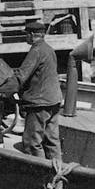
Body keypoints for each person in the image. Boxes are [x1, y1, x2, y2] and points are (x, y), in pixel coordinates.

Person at [11, 19, 63, 159]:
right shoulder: (49, 49)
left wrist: (2, 90)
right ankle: (57, 176)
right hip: (53, 100)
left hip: (39, 103)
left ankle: (38, 177)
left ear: (32, 34)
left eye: (26, 34)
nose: (25, 37)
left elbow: (21, 76)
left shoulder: (36, 50)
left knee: (32, 143)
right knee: (52, 141)